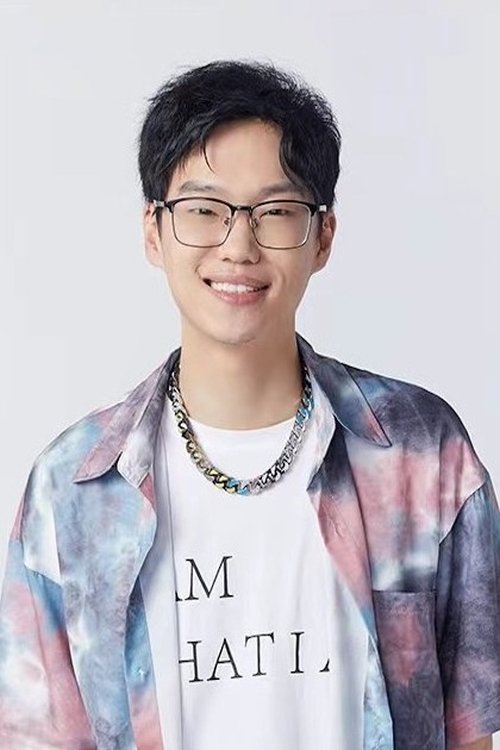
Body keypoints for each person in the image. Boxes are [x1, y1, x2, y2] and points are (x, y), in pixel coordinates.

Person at [0, 59, 498, 750]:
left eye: (276, 212)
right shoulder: (73, 488)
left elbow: (471, 733)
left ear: (323, 236)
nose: (238, 246)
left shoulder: (421, 453)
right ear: (153, 230)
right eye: (204, 210)